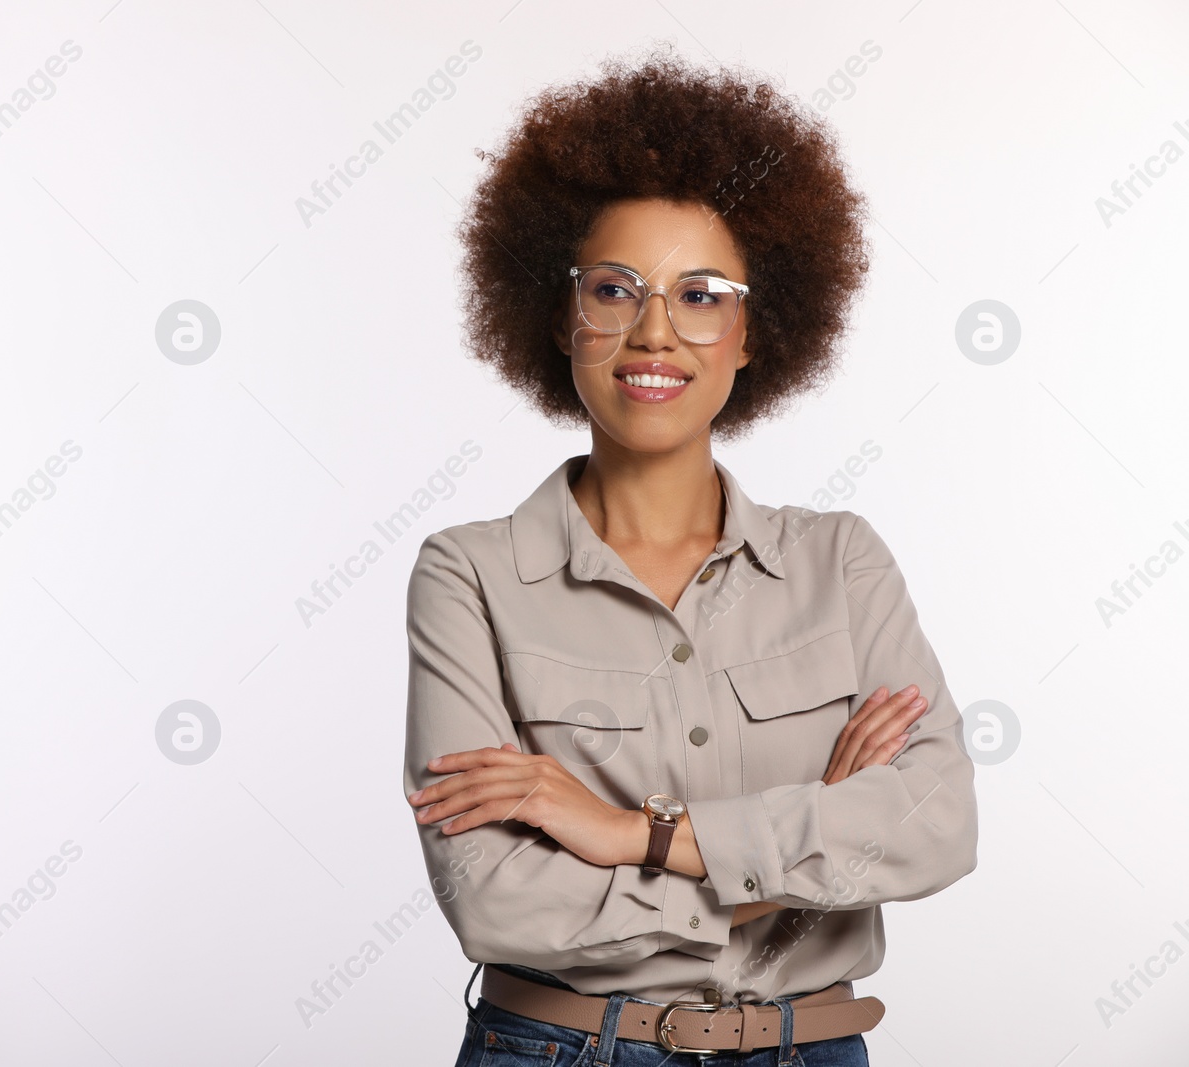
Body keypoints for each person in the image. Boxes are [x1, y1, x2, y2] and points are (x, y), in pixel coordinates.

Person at [401, 43, 979, 1067]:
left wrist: (636, 835)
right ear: (560, 316)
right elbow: (493, 901)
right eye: (615, 289)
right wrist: (792, 868)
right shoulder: (469, 576)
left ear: (754, 332)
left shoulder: (840, 563)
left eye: (702, 293)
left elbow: (933, 826)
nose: (655, 332)